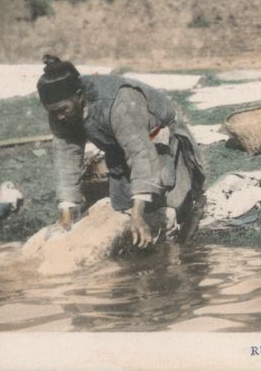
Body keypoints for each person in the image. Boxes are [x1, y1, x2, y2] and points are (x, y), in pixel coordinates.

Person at [36, 54, 206, 248]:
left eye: (62, 110)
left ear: (79, 97)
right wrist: (65, 217)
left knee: (170, 208)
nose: (59, 117)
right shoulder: (61, 112)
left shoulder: (120, 101)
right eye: (52, 112)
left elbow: (141, 154)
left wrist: (137, 215)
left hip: (156, 140)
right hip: (118, 148)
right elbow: (65, 160)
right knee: (122, 210)